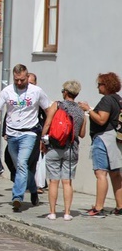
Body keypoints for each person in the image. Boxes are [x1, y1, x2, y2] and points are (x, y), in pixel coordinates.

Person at [0, 64, 50, 212]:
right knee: (19, 167)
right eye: (16, 80)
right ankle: (33, 189)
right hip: (12, 133)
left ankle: (17, 197)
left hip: (29, 133)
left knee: (22, 163)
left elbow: (49, 111)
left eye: (22, 80)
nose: (19, 83)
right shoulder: (7, 91)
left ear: (27, 77)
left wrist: (46, 132)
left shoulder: (36, 91)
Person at [78, 72, 122, 217]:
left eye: (100, 84)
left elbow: (102, 119)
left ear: (106, 85)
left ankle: (98, 208)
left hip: (103, 138)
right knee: (115, 174)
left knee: (100, 173)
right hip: (115, 139)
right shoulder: (118, 99)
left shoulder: (106, 100)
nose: (98, 87)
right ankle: (120, 206)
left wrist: (88, 109)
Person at [41, 80, 86, 221]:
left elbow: (48, 123)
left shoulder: (57, 105)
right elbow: (82, 134)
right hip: (72, 149)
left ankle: (52, 213)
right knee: (67, 182)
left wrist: (42, 141)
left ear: (65, 92)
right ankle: (67, 213)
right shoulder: (80, 111)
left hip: (54, 146)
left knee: (54, 181)